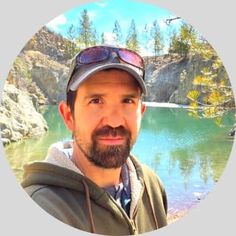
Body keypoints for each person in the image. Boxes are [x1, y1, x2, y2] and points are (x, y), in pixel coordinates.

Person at [22, 45, 168, 235]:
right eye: (96, 101)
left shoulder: (151, 185)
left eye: (127, 101)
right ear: (68, 116)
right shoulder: (43, 207)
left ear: (141, 112)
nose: (114, 121)